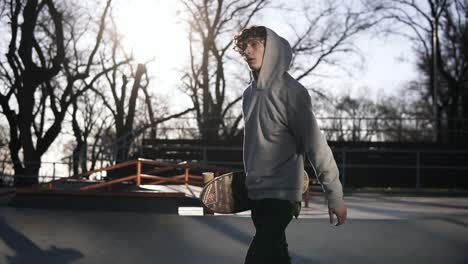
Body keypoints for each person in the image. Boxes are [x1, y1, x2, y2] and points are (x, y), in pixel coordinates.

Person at [233, 26, 347, 264]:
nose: (248, 51)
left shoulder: (292, 92)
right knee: (275, 256)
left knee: (257, 258)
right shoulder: (248, 95)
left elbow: (316, 145)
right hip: (257, 194)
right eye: (244, 46)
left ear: (271, 49)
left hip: (282, 195)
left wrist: (334, 195)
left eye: (255, 44)